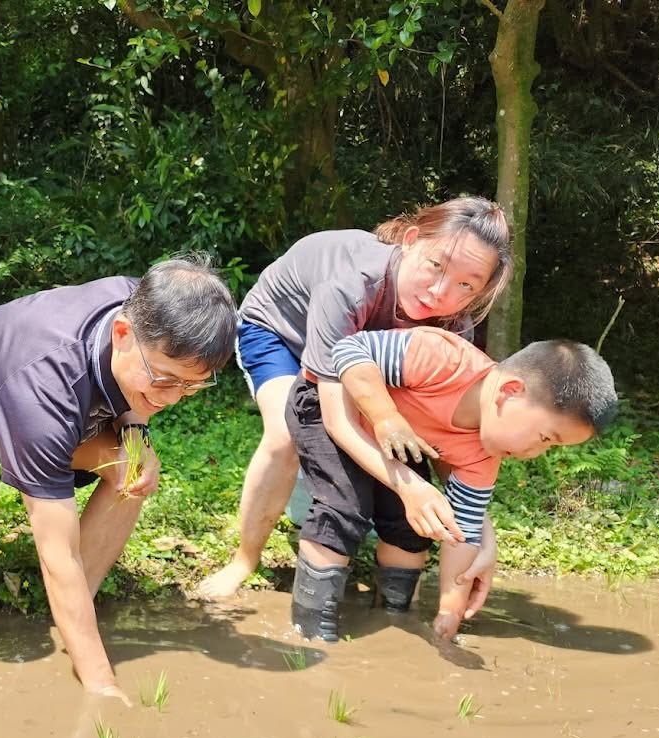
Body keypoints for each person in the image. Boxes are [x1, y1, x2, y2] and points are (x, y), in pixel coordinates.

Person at [0, 256, 236, 701]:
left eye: (192, 386)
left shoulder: (160, 304)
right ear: (121, 335)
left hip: (45, 412)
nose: (173, 399)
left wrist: (137, 432)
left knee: (131, 468)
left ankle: (76, 613)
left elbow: (138, 397)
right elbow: (56, 552)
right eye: (164, 380)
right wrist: (100, 682)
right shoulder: (48, 380)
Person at [197, 197, 511, 601]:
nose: (439, 292)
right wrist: (410, 486)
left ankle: (317, 505)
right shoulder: (353, 283)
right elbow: (335, 417)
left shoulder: (454, 328)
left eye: (466, 285)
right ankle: (243, 560)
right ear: (412, 241)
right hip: (282, 333)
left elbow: (450, 441)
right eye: (436, 265)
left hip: (363, 359)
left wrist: (481, 531)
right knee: (284, 435)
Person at [285, 325, 617, 643]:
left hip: (398, 445)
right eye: (545, 437)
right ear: (509, 392)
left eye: (551, 447)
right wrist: (386, 416)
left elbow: (465, 529)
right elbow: (349, 349)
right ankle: (311, 626)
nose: (536, 453)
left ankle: (394, 613)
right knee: (344, 506)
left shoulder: (484, 456)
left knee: (414, 525)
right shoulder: (444, 360)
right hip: (327, 409)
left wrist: (450, 611)